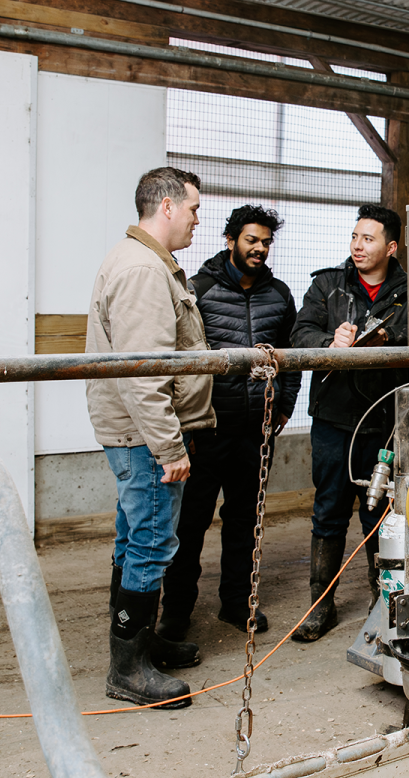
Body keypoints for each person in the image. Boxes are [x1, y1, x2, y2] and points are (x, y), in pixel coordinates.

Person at [86, 166, 214, 709]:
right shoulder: (143, 270)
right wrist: (170, 448)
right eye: (192, 210)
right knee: (152, 542)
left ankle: (140, 640)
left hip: (138, 434)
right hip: (147, 438)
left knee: (136, 537)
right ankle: (128, 668)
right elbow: (144, 375)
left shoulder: (146, 262)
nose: (196, 220)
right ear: (166, 207)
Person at [158, 204, 301, 641]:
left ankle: (237, 605)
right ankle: (176, 614)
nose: (259, 249)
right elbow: (181, 358)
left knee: (244, 521)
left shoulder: (279, 294)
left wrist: (285, 404)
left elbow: (291, 356)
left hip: (256, 430)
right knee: (191, 524)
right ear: (230, 240)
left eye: (265, 242)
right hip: (208, 428)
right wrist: (185, 422)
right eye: (251, 240)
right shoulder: (197, 289)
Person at [289, 203, 408, 642]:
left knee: (378, 512)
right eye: (355, 237)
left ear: (391, 247)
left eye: (369, 238)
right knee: (329, 509)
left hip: (384, 419)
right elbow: (299, 335)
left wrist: (388, 338)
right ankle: (321, 606)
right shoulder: (327, 285)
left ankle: (384, 600)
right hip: (334, 418)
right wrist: (328, 341)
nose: (358, 246)